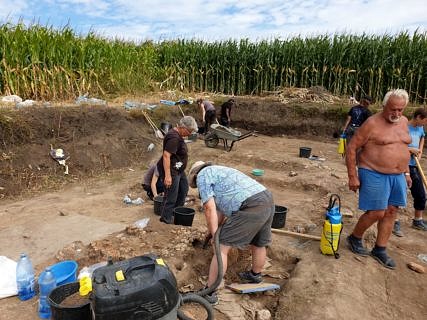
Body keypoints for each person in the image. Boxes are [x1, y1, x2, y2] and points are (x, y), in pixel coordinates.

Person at [188, 161, 274, 304]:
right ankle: (255, 275)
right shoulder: (220, 171)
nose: (198, 188)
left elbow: (209, 209)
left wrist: (216, 236)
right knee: (259, 242)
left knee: (221, 246)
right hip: (266, 199)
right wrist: (212, 231)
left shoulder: (202, 176)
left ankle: (210, 293)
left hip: (250, 205)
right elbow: (219, 211)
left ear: (195, 176)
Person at [346, 89, 411, 270]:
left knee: (391, 211)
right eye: (393, 109)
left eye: (401, 110)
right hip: (373, 171)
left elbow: (402, 148)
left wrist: (405, 172)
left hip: (397, 175)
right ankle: (355, 238)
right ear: (384, 106)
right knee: (377, 212)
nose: (397, 114)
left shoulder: (404, 122)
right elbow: (351, 148)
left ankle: (380, 249)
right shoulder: (372, 123)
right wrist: (353, 175)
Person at [157, 116, 198, 224]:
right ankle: (165, 218)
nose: (189, 134)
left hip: (178, 169)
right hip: (171, 171)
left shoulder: (178, 135)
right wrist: (168, 176)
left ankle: (176, 212)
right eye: (189, 131)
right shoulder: (174, 137)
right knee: (171, 195)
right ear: (183, 127)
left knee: (183, 190)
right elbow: (166, 155)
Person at [393, 108, 427, 236]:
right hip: (401, 165)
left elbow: (422, 138)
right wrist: (410, 150)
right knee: (398, 194)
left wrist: (420, 150)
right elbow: (396, 145)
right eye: (424, 121)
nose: (424, 124)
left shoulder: (420, 128)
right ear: (418, 117)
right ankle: (394, 221)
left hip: (413, 165)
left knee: (420, 193)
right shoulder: (403, 126)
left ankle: (417, 220)